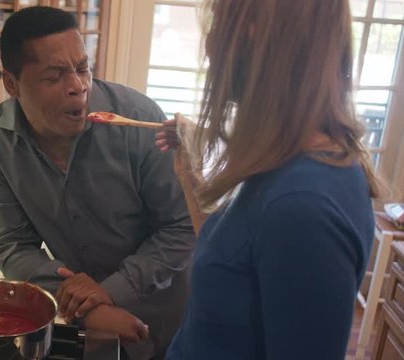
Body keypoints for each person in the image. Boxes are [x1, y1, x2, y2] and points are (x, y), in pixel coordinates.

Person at [155, 1, 383, 359]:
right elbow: (235, 260)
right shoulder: (286, 165)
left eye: (220, 22)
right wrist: (189, 174)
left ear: (257, 35)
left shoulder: (304, 207)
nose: (211, 41)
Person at [0, 6, 195, 359]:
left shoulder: (138, 120)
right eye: (54, 76)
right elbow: (12, 245)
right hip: (84, 320)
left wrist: (112, 292)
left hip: (166, 320)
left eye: (82, 68)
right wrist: (89, 307)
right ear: (13, 84)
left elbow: (181, 227)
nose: (77, 86)